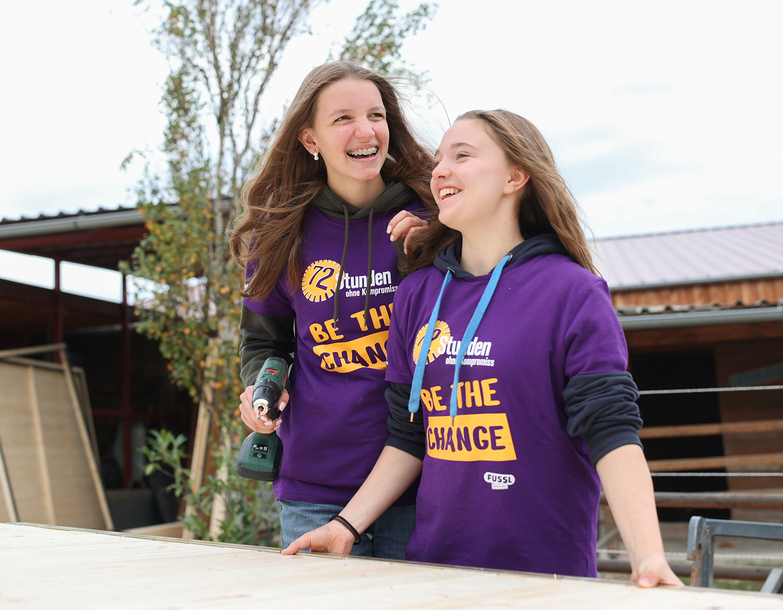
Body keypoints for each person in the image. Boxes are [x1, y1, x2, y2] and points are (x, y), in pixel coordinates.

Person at [283, 109, 682, 586]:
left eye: (462, 156)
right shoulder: (417, 295)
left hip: (544, 579)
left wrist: (648, 557)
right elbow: (408, 437)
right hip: (433, 572)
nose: (440, 171)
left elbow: (611, 431)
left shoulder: (573, 292)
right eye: (438, 160)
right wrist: (346, 525)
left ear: (515, 176)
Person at [229, 61, 435, 559]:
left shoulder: (433, 218)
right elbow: (264, 342)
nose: (366, 131)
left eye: (376, 116)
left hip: (422, 479)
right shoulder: (279, 234)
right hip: (315, 488)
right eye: (343, 118)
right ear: (309, 139)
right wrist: (260, 389)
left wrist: (437, 247)